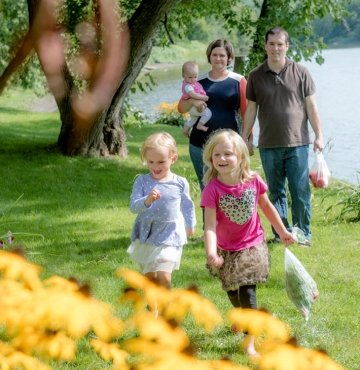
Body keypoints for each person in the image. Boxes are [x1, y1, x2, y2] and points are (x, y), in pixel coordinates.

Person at [201, 129, 294, 357]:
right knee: (232, 291)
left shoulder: (253, 181)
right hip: (226, 249)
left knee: (247, 291)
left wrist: (282, 231)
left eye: (228, 154)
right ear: (210, 159)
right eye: (217, 155)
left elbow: (267, 207)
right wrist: (212, 252)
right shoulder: (213, 189)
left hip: (252, 245)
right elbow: (210, 225)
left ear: (241, 157)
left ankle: (250, 342)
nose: (222, 159)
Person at [242, 26, 324, 246]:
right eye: (272, 44)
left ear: (287, 46)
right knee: (275, 192)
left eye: (280, 44)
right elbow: (251, 109)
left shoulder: (301, 72)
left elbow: (312, 107)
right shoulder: (256, 76)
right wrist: (244, 138)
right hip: (268, 144)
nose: (276, 48)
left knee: (299, 191)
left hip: (298, 143)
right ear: (265, 46)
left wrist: (319, 135)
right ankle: (282, 234)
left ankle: (303, 234)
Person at [127, 132, 196, 289]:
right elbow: (133, 207)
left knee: (164, 276)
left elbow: (187, 204)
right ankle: (153, 309)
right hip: (147, 233)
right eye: (151, 161)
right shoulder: (142, 181)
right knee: (150, 278)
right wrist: (146, 200)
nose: (156, 166)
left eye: (161, 162)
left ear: (173, 159)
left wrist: (190, 224)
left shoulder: (179, 183)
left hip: (170, 233)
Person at [178, 39, 248, 191]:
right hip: (200, 144)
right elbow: (181, 108)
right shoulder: (198, 81)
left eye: (222, 55)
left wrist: (247, 140)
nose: (218, 58)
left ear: (229, 58)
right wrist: (192, 102)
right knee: (207, 190)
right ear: (209, 57)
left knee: (230, 190)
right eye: (214, 55)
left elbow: (246, 113)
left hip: (230, 148)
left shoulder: (238, 81)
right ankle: (208, 216)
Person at [181, 61, 212, 136]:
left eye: (195, 77)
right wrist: (203, 97)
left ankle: (186, 129)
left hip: (193, 109)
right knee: (208, 113)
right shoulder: (187, 86)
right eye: (190, 77)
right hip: (193, 107)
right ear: (183, 75)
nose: (193, 80)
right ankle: (200, 125)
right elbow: (192, 94)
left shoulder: (193, 83)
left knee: (193, 120)